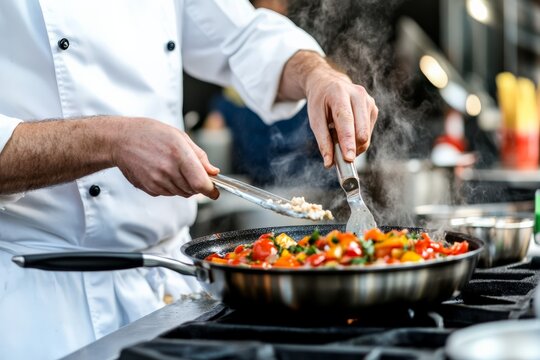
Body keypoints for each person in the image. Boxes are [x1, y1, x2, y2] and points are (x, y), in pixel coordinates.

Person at [0, 1, 378, 359]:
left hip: (168, 295)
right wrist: (110, 140)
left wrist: (317, 74)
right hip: (42, 309)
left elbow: (241, 37)